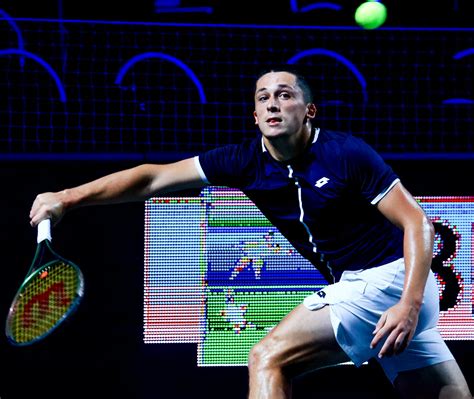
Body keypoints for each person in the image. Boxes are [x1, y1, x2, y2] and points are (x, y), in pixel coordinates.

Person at [29, 68, 472, 398]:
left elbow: (417, 222)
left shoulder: (345, 153)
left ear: (308, 110)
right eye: (264, 98)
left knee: (266, 356)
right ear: (255, 114)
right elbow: (151, 179)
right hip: (380, 291)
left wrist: (409, 304)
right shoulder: (242, 160)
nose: (273, 103)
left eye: (285, 95)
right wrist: (67, 197)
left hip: (389, 281)